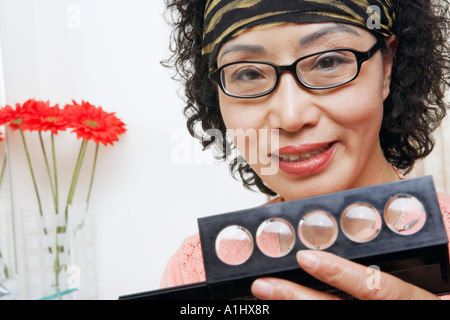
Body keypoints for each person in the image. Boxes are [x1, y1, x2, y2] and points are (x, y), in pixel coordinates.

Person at [160, 0, 450, 300]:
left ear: (387, 67)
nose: (291, 116)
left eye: (328, 62)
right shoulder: (192, 275)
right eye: (248, 74)